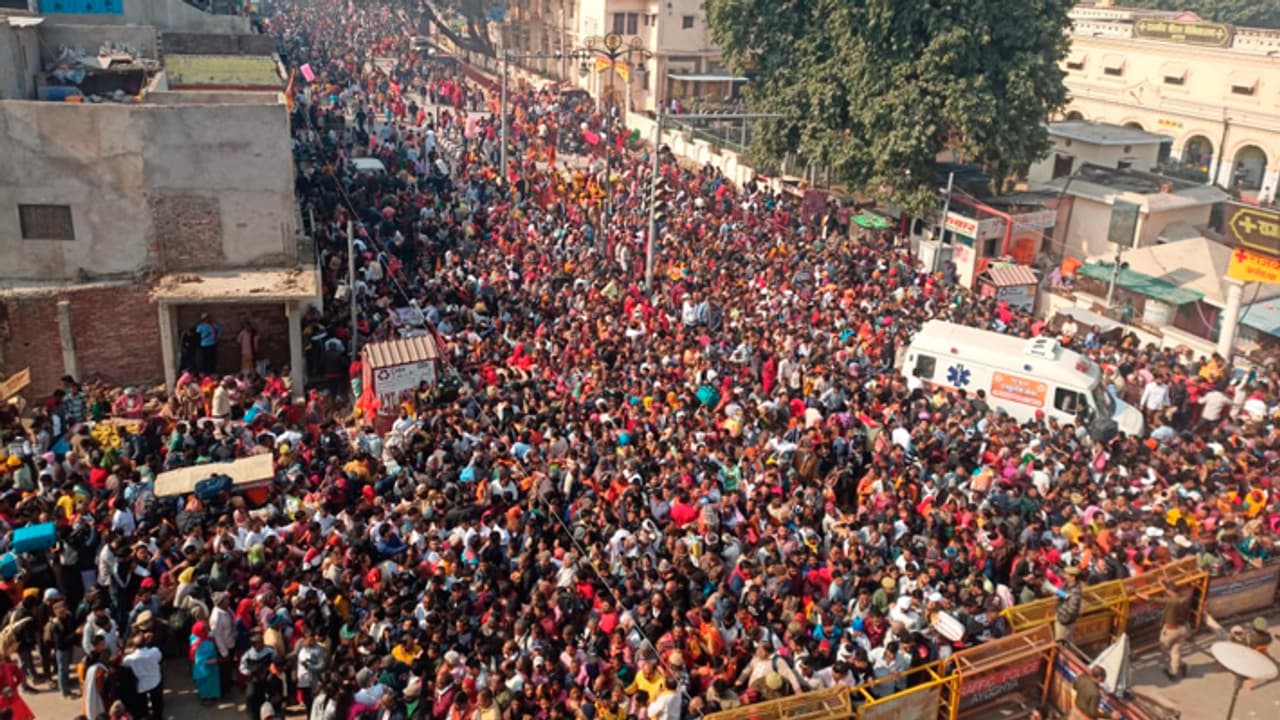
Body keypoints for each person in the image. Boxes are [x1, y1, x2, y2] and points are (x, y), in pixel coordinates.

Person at [122, 635, 163, 720]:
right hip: (155, 681)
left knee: (143, 705)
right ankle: (157, 717)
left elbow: (124, 664)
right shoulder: (154, 651)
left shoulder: (130, 658)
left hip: (142, 684)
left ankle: (146, 717)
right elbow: (159, 658)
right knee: (157, 703)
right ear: (145, 642)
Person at [1157, 582, 1190, 681]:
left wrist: (1136, 593)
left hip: (1171, 630)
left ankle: (1179, 667)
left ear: (1169, 591)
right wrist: (1163, 584)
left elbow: (1149, 599)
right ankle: (1176, 670)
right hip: (1183, 629)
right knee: (1176, 652)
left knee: (1164, 648)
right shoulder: (1183, 600)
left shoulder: (1170, 601)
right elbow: (1170, 590)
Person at [189, 619, 221, 704]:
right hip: (204, 667)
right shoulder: (199, 644)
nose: (207, 630)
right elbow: (199, 660)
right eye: (205, 629)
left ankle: (213, 696)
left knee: (212, 682)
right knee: (206, 683)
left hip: (211, 665)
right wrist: (213, 661)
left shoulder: (196, 636)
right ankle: (206, 698)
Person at [1053, 567, 1084, 644]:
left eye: (1067, 575)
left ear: (1073, 578)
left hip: (1065, 622)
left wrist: (1061, 615)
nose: (1064, 576)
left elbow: (1072, 609)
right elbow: (1059, 572)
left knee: (1062, 644)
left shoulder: (1075, 592)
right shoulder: (1067, 584)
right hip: (1061, 617)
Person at [0, 656, 34, 720]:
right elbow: (21, 676)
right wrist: (14, 686)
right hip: (13, 696)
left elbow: (20, 676)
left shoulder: (10, 666)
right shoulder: (10, 666)